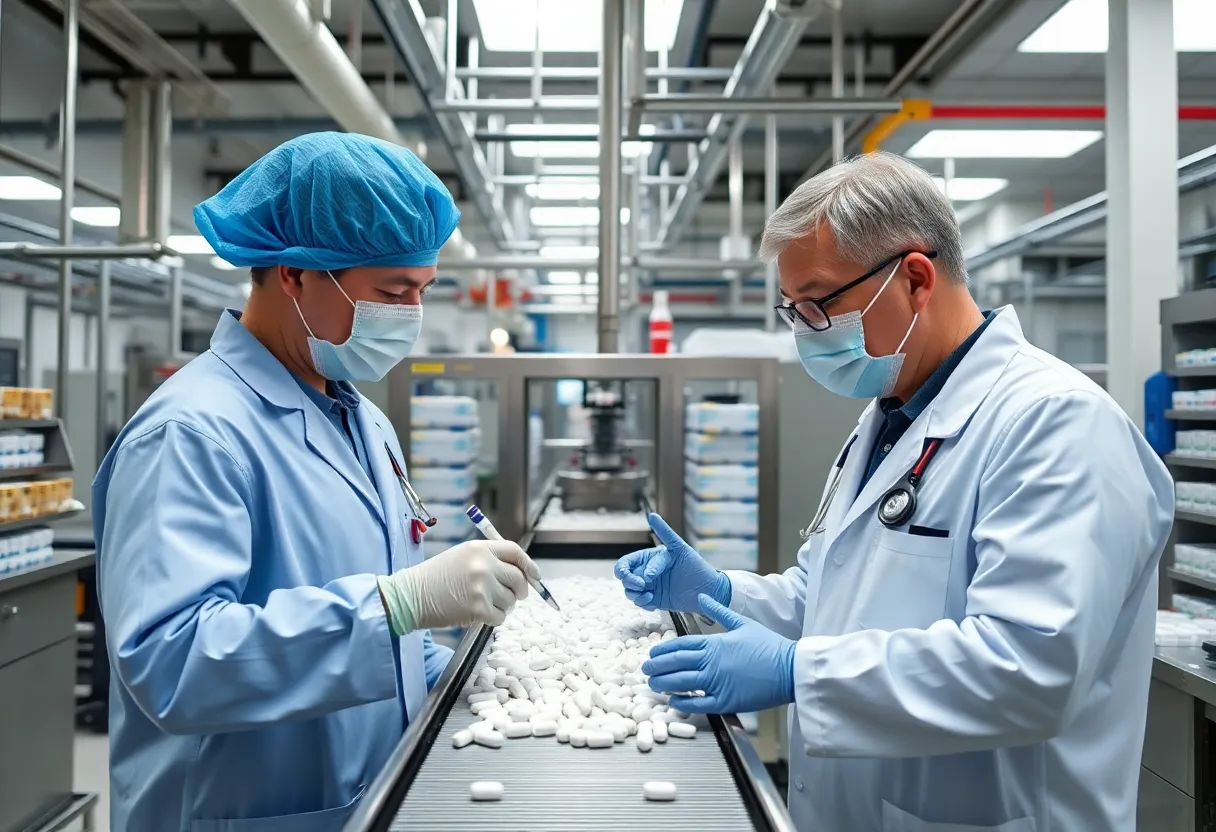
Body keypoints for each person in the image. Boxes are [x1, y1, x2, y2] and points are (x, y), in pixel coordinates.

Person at [616, 152, 1173, 831]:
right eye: (792, 310)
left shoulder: (1058, 425)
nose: (805, 333)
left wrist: (801, 673)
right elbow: (835, 597)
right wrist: (724, 593)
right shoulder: (890, 414)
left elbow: (1030, 668)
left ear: (914, 278)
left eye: (819, 304)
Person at [94, 132, 541, 831]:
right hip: (235, 811)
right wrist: (399, 604)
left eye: (421, 292)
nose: (410, 319)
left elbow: (382, 611)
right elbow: (171, 663)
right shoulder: (190, 434)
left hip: (360, 799)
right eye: (392, 293)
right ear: (295, 275)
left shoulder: (361, 420)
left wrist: (455, 669)